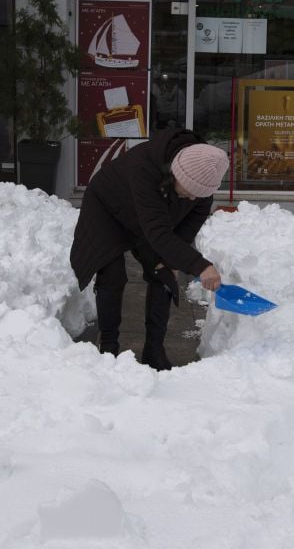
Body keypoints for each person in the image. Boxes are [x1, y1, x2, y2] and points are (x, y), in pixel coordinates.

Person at [70, 128, 229, 371]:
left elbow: (186, 228)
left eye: (197, 196)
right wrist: (200, 265)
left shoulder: (203, 181)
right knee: (112, 275)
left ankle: (154, 350)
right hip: (108, 208)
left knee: (163, 274)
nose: (190, 199)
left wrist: (172, 260)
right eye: (187, 191)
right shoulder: (144, 168)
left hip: (150, 216)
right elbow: (158, 232)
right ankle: (108, 347)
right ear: (175, 173)